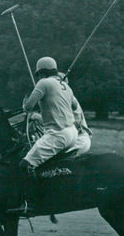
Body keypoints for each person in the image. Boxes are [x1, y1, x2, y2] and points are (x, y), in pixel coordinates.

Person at [7, 56, 79, 216]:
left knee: (26, 165)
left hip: (57, 134)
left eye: (38, 74)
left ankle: (30, 204)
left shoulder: (43, 83)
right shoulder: (65, 86)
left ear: (41, 73)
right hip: (73, 133)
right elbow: (74, 105)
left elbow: (28, 107)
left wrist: (28, 98)